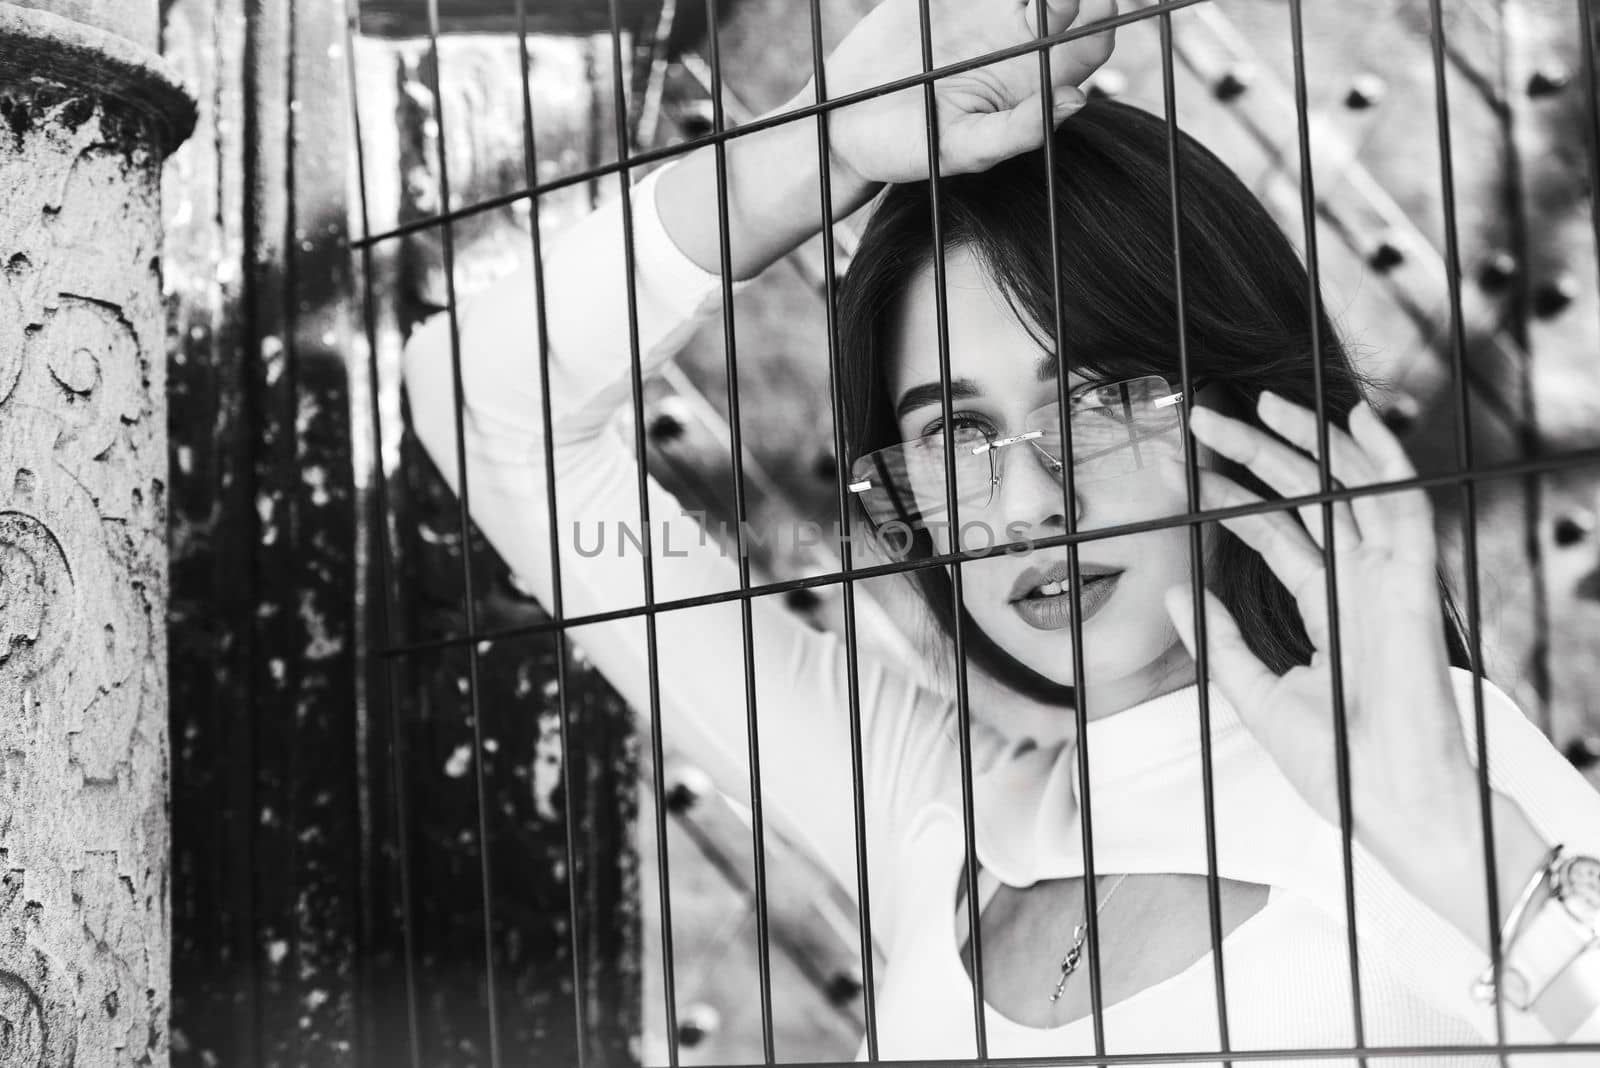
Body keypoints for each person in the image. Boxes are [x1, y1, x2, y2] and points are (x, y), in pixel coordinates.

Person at [402, 0, 1600, 1061]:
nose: (1029, 502)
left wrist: (1451, 839)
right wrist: (818, 143)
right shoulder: (947, 818)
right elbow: (485, 405)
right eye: (951, 436)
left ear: (1247, 409)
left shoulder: (1451, 785)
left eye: (1102, 400)